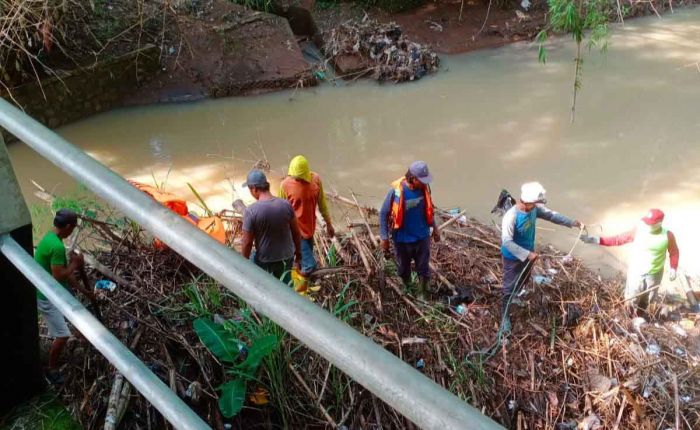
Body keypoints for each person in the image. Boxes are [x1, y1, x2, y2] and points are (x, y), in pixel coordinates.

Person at [500, 182, 582, 331]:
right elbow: (507, 242)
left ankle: (517, 297)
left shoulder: (534, 210)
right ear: (528, 202)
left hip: (528, 254)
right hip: (513, 257)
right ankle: (504, 316)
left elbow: (552, 215)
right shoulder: (511, 216)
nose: (538, 206)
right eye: (537, 202)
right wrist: (526, 254)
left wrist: (571, 222)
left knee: (524, 279)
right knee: (509, 286)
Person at [580, 208, 679, 317]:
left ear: (659, 223)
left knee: (648, 299)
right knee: (631, 298)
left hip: (655, 274)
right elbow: (619, 239)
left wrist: (673, 268)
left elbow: (674, 252)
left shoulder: (667, 236)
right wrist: (598, 240)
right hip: (636, 272)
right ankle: (629, 317)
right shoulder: (639, 230)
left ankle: (641, 317)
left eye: (651, 224)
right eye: (647, 222)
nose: (647, 225)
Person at [35, 209, 95, 383]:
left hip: (54, 289)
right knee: (62, 336)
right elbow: (59, 276)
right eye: (73, 228)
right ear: (68, 226)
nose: (72, 232)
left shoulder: (51, 238)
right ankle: (51, 370)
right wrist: (75, 264)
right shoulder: (57, 247)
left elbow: (65, 275)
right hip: (46, 296)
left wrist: (85, 292)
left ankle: (84, 340)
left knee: (77, 314)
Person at [379, 161, 440, 300]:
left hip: (422, 236)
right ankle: (407, 289)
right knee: (403, 269)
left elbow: (429, 211)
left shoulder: (424, 190)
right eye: (421, 180)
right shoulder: (395, 192)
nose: (424, 183)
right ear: (412, 178)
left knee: (423, 268)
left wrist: (435, 228)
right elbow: (383, 213)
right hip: (402, 239)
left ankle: (422, 294)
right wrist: (384, 238)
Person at [241, 170, 302, 284]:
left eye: (250, 189)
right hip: (286, 257)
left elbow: (247, 242)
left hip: (265, 260)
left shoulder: (251, 211)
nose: (250, 192)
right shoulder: (286, 204)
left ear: (254, 188)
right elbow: (296, 232)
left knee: (262, 284)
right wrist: (298, 254)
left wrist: (242, 264)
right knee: (286, 286)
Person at [279, 155, 335, 275]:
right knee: (309, 265)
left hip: (310, 227)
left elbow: (322, 204)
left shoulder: (316, 181)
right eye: (295, 178)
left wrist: (329, 223)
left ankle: (298, 278)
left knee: (301, 257)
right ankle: (298, 282)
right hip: (295, 231)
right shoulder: (285, 186)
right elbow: (280, 211)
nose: (297, 180)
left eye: (299, 178)